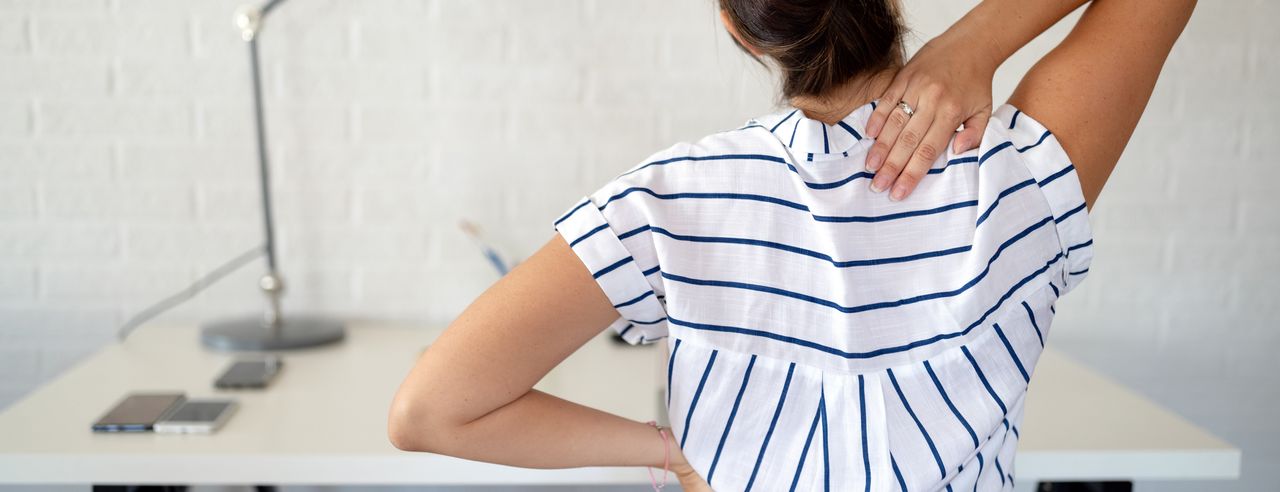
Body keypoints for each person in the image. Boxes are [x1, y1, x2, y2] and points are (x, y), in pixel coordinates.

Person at [388, 0, 1195, 490]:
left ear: (741, 30)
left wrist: (672, 453)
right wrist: (977, 41)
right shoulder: (1014, 175)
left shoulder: (669, 202)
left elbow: (431, 411)